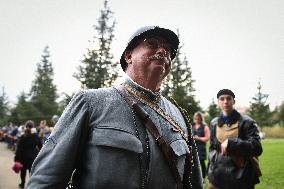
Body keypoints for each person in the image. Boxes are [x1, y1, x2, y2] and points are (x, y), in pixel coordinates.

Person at [27, 26, 203, 189]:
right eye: (152, 44)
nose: (163, 51)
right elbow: (45, 179)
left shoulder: (179, 116)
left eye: (169, 50)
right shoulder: (91, 102)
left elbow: (193, 183)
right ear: (128, 56)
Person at [208, 89, 263, 189]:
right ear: (218, 102)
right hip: (217, 177)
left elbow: (257, 147)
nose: (225, 101)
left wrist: (232, 143)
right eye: (222, 99)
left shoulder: (247, 122)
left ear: (234, 101)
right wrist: (211, 168)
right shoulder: (214, 123)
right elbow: (212, 148)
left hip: (241, 178)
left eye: (228, 98)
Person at [15, 120, 42, 188]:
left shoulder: (22, 136)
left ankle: (22, 184)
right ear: (33, 127)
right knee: (32, 172)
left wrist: (16, 158)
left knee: (23, 172)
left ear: (25, 126)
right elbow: (40, 146)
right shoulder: (35, 136)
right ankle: (31, 185)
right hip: (33, 157)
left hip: (23, 157)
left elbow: (19, 149)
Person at [192, 112, 210, 180]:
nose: (197, 120)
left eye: (198, 119)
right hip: (193, 147)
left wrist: (198, 138)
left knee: (201, 162)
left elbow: (207, 138)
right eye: (196, 118)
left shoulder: (205, 126)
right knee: (193, 162)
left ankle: (203, 177)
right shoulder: (192, 125)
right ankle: (195, 176)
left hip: (201, 148)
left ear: (201, 119)